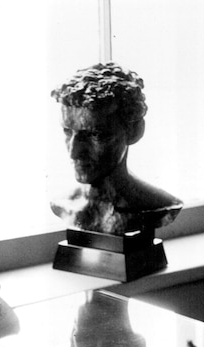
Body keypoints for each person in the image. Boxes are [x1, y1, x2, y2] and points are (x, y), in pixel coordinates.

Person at [49, 62, 182, 235]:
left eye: (94, 135)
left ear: (134, 131)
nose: (74, 152)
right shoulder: (63, 204)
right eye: (67, 131)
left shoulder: (159, 205)